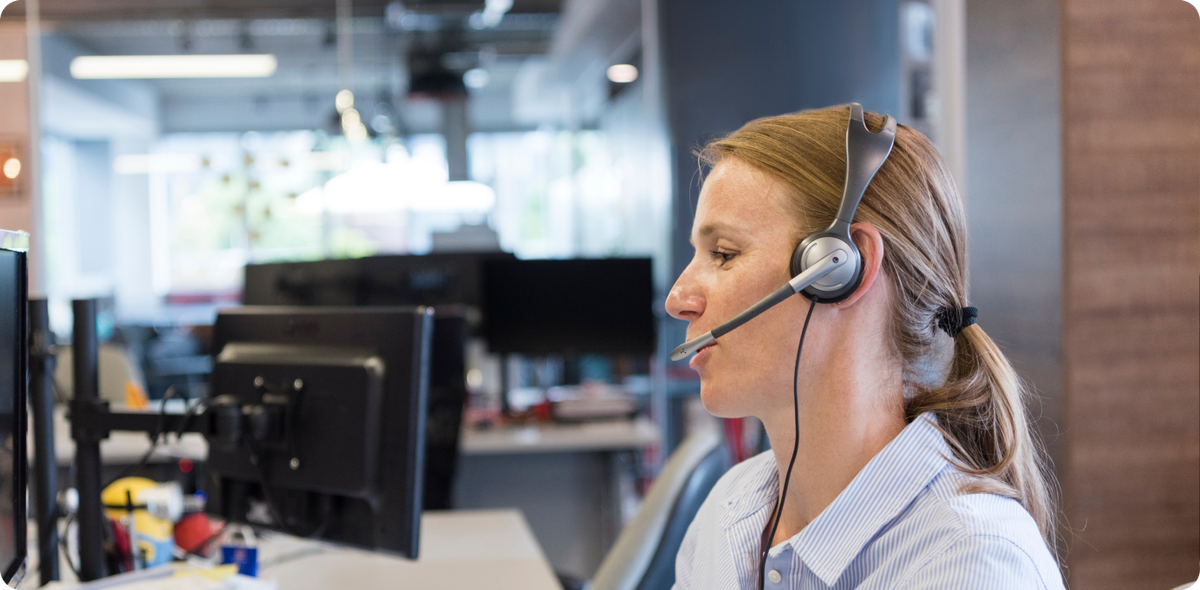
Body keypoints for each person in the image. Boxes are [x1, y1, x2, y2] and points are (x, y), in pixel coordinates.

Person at [665, 105, 1065, 589]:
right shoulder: (726, 515)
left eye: (724, 255)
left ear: (839, 269)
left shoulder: (971, 565)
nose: (677, 300)